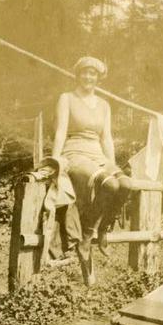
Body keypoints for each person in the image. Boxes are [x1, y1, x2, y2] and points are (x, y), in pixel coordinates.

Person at [52, 56, 130, 283]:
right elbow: (60, 131)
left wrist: (112, 163)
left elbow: (107, 137)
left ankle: (103, 226)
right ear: (78, 75)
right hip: (75, 151)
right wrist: (56, 159)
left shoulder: (104, 105)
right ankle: (87, 236)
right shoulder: (66, 98)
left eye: (93, 74)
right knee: (110, 184)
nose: (88, 77)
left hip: (97, 153)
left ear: (99, 78)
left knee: (125, 184)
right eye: (85, 72)